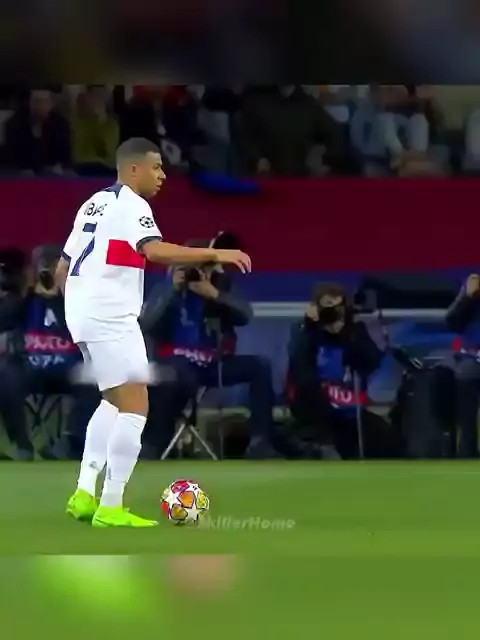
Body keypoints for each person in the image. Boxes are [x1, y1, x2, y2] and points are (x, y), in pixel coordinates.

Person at [55, 137, 251, 528]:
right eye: (156, 167)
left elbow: (62, 269)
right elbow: (155, 250)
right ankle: (111, 505)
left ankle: (84, 493)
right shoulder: (133, 204)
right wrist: (215, 254)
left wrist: (79, 309)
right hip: (111, 315)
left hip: (84, 314)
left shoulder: (92, 203)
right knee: (136, 405)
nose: (162, 175)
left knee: (113, 401)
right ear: (133, 169)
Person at [140, 257, 275, 458]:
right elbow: (146, 324)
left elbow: (245, 315)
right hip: (174, 363)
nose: (196, 274)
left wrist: (214, 294)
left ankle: (260, 442)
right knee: (176, 375)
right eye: (190, 269)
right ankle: (155, 443)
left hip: (213, 364)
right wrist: (172, 290)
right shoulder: (164, 290)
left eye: (202, 269)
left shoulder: (218, 287)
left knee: (260, 366)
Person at [287, 283, 402, 459]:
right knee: (311, 394)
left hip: (348, 410)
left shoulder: (355, 332)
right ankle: (323, 446)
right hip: (316, 411)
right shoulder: (305, 333)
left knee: (390, 441)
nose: (333, 313)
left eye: (338, 308)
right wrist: (310, 326)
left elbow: (373, 361)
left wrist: (348, 332)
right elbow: (300, 373)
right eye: (328, 307)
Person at [445, 273, 480, 457]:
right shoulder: (473, 285)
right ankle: (466, 452)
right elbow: (451, 322)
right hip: (472, 359)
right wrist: (468, 297)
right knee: (465, 374)